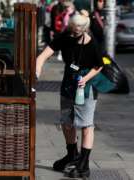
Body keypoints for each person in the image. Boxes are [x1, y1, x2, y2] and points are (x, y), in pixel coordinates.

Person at [36, 10, 104, 178]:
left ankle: (84, 164)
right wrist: (37, 70)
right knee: (67, 122)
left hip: (85, 87)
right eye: (71, 29)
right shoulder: (66, 36)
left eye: (76, 31)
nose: (73, 34)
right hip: (68, 84)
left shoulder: (91, 43)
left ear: (84, 29)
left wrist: (85, 78)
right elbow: (43, 55)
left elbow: (99, 65)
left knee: (86, 124)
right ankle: (72, 155)